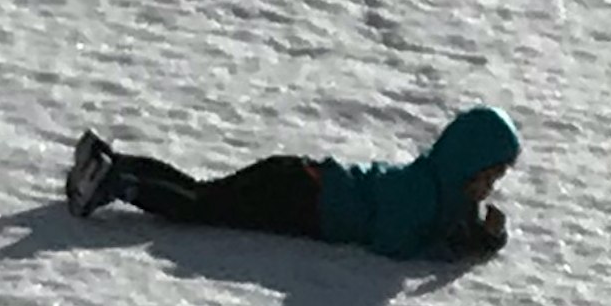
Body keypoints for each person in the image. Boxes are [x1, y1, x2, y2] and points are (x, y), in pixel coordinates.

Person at [64, 105, 518, 259]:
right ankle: (116, 176)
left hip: (306, 185)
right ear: (465, 167)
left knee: (205, 195)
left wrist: (482, 237)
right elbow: (391, 243)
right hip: (300, 196)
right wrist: (452, 247)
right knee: (202, 203)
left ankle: (114, 170)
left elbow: (453, 221)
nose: (489, 189)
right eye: (488, 176)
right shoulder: (419, 192)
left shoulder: (442, 189)